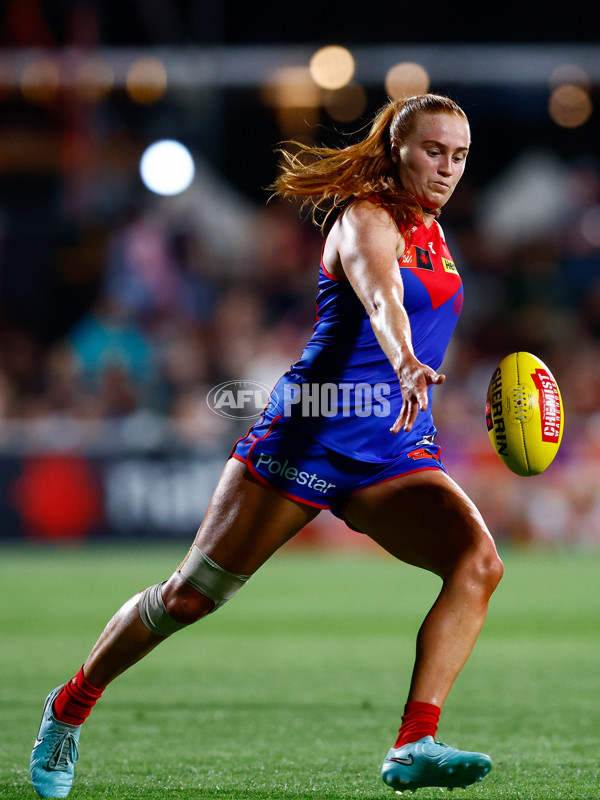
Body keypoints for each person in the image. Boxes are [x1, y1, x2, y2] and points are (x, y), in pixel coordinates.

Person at [30, 93, 504, 798]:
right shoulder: (364, 218)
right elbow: (382, 299)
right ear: (397, 150)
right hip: (308, 434)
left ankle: (414, 743)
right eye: (434, 150)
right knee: (190, 597)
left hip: (394, 447)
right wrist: (405, 359)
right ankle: (67, 710)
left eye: (459, 155)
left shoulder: (434, 229)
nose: (447, 167)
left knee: (479, 563)